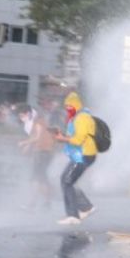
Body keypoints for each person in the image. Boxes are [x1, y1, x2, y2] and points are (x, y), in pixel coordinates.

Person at [54, 92, 97, 225]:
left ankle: (73, 216)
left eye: (70, 106)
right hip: (82, 154)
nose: (67, 109)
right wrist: (63, 136)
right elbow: (75, 135)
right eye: (66, 107)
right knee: (67, 180)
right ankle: (86, 207)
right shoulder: (78, 117)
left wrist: (62, 138)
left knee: (67, 181)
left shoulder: (82, 118)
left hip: (84, 154)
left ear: (76, 105)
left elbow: (78, 140)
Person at [16, 104, 56, 207]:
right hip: (45, 152)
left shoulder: (38, 121)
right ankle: (47, 202)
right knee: (41, 178)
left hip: (43, 152)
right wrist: (28, 147)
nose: (21, 118)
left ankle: (32, 204)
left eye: (21, 115)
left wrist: (24, 143)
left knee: (36, 178)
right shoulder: (36, 122)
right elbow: (35, 136)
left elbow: (37, 137)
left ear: (28, 114)